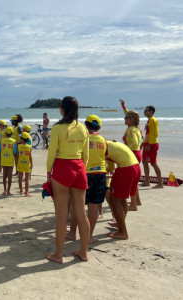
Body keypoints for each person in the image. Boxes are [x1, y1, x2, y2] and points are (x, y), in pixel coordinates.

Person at [45, 96, 90, 264]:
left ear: (62, 109)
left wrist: (48, 172)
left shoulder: (58, 127)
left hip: (63, 169)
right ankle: (84, 252)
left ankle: (58, 254)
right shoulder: (83, 128)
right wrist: (82, 169)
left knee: (62, 216)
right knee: (80, 213)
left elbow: (52, 153)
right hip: (79, 168)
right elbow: (86, 155)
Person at [67, 115, 106, 244]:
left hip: (84, 174)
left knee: (77, 206)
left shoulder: (83, 138)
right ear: (99, 127)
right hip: (100, 174)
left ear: (85, 125)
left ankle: (72, 233)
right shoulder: (103, 140)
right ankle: (89, 236)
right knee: (94, 206)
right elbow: (105, 155)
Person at [104, 140, 141, 239]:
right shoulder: (110, 144)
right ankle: (120, 224)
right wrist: (105, 172)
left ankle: (122, 232)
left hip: (126, 169)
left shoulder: (101, 146)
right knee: (122, 199)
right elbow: (111, 166)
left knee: (114, 200)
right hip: (136, 167)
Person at [119, 99, 143, 210]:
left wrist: (125, 150)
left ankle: (133, 204)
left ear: (132, 120)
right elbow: (130, 116)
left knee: (132, 180)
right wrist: (124, 107)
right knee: (135, 179)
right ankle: (136, 201)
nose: (124, 119)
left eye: (126, 118)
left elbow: (134, 143)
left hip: (133, 154)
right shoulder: (136, 127)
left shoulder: (131, 130)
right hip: (137, 153)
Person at [142, 105, 163, 188]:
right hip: (147, 144)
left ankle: (160, 183)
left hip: (152, 144)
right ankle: (147, 181)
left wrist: (149, 144)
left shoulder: (153, 120)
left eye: (146, 110)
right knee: (144, 161)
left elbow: (155, 134)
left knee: (153, 163)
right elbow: (148, 134)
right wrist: (143, 143)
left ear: (151, 112)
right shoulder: (149, 120)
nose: (144, 112)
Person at [0, 127, 16, 196]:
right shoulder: (14, 141)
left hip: (4, 160)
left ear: (6, 133)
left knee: (4, 176)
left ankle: (4, 190)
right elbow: (15, 152)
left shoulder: (2, 141)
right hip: (10, 160)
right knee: (10, 176)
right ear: (11, 134)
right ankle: (8, 191)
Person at [16, 132, 33, 196]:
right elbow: (30, 156)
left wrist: (16, 163)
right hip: (27, 164)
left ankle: (21, 191)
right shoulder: (29, 147)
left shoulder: (19, 146)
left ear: (22, 139)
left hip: (20, 163)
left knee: (20, 178)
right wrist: (32, 163)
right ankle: (26, 192)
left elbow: (17, 155)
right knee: (27, 179)